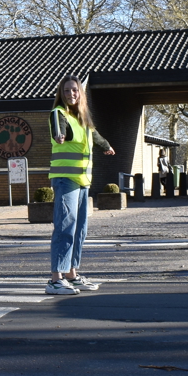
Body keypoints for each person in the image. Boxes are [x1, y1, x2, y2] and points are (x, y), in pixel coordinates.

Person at [46, 76, 115, 296]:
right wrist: (59, 135)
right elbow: (59, 129)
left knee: (79, 229)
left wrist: (106, 146)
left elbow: (94, 135)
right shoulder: (59, 113)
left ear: (80, 93)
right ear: (61, 93)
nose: (71, 94)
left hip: (83, 181)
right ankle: (55, 279)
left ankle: (71, 274)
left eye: (74, 90)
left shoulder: (82, 118)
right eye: (66, 90)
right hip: (66, 179)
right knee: (65, 227)